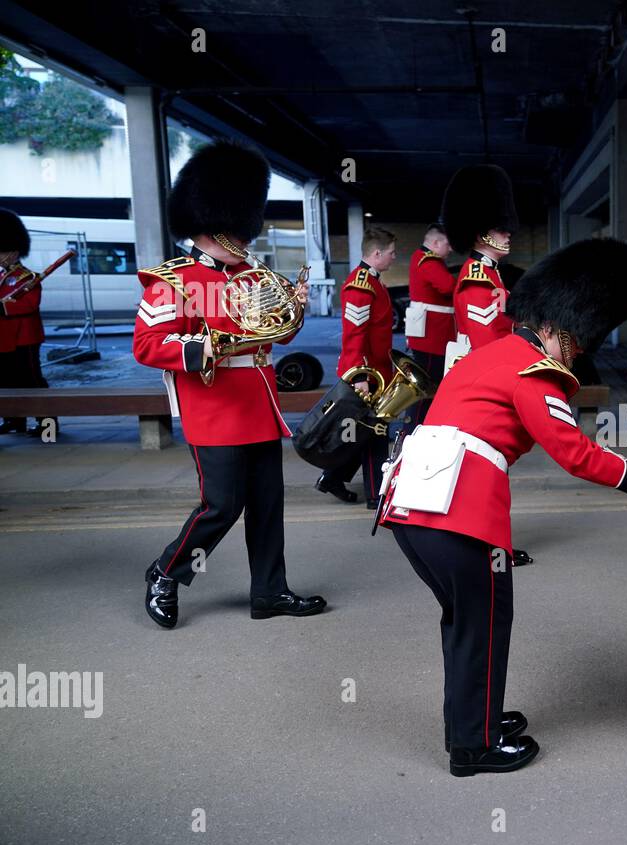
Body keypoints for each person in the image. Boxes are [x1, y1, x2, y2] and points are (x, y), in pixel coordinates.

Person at [378, 237, 627, 776]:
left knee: (464, 623)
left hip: (411, 509)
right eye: (577, 340)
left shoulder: (488, 355)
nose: (580, 351)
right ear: (555, 327)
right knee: (485, 626)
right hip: (461, 516)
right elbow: (574, 453)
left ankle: (475, 721)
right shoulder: (535, 371)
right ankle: (474, 748)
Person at [134, 140, 326, 629]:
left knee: (267, 506)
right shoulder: (173, 280)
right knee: (221, 506)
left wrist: (295, 309)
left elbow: (274, 333)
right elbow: (148, 345)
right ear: (206, 225)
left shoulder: (252, 275)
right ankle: (166, 573)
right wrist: (207, 348)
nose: (240, 238)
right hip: (213, 405)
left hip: (258, 403)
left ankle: (270, 591)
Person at [316, 225, 397, 509]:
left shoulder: (373, 281)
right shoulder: (362, 285)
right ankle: (376, 495)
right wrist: (361, 376)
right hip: (365, 375)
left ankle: (332, 478)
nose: (394, 258)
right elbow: (354, 335)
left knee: (365, 432)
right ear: (376, 254)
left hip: (376, 373)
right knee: (375, 434)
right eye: (390, 253)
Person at [442, 165, 516, 353]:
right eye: (500, 229)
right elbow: (485, 347)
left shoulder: (490, 272)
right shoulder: (477, 281)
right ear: (480, 234)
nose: (508, 233)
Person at [400, 221, 456, 437]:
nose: (450, 250)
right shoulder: (429, 260)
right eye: (447, 245)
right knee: (426, 389)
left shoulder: (422, 258)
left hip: (430, 335)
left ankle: (417, 429)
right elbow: (447, 286)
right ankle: (412, 431)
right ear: (435, 243)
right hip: (433, 337)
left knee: (428, 387)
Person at [0, 208, 46, 437]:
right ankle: (14, 420)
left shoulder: (28, 278)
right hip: (5, 339)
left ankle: (47, 423)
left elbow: (30, 305)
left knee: (32, 381)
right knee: (7, 381)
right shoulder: (2, 276)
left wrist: (4, 306)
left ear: (14, 252)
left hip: (24, 337)